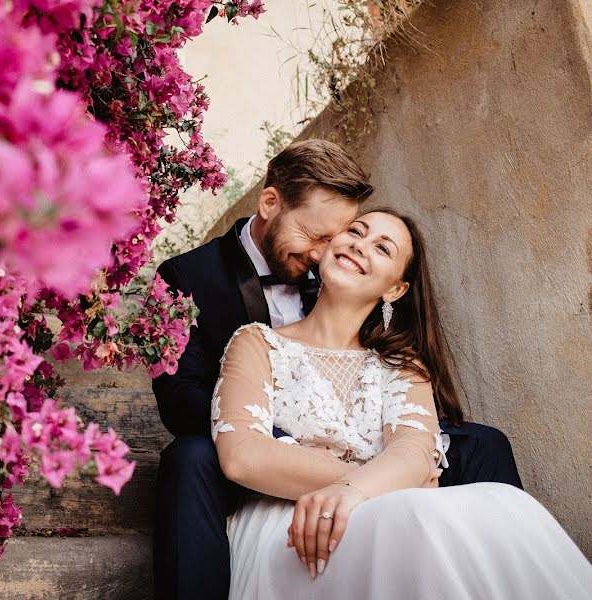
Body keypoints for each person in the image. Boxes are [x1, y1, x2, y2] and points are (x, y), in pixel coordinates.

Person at [151, 139, 522, 600]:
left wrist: (396, 455)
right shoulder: (185, 277)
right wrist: (293, 440)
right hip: (249, 433)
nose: (327, 251)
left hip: (360, 416)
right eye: (318, 236)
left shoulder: (334, 266)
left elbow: (374, 369)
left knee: (483, 443)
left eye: (339, 235)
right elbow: (179, 394)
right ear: (270, 203)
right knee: (188, 458)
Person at [212, 209, 591, 598]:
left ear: (395, 289)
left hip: (382, 510)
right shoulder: (258, 343)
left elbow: (413, 452)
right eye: (356, 231)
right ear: (328, 247)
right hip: (293, 522)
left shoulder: (400, 364)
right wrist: (377, 480)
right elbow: (243, 455)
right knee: (414, 515)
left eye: (382, 247)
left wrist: (359, 489)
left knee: (505, 502)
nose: (360, 244)